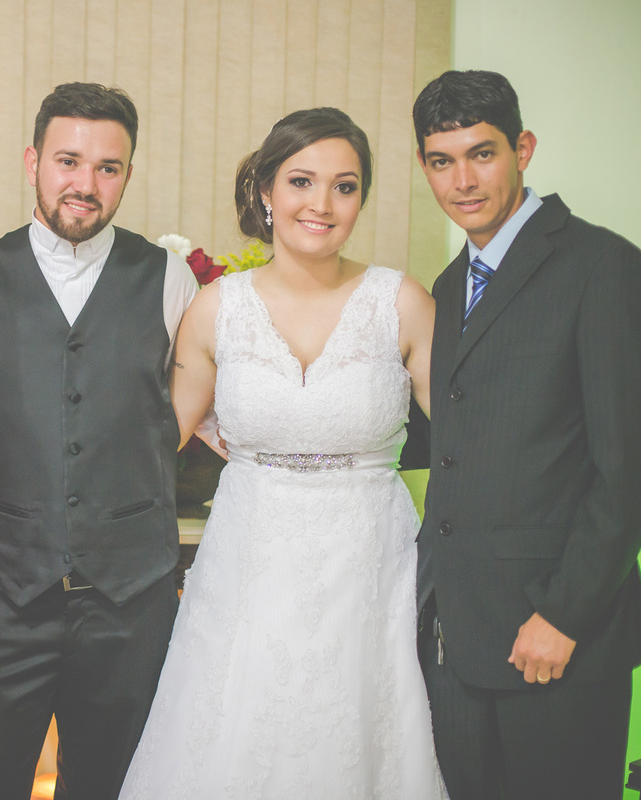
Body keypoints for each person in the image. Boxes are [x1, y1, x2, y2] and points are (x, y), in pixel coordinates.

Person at [116, 108, 444, 799]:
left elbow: (469, 442)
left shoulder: (403, 303)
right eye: (301, 181)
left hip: (368, 564)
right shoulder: (217, 307)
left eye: (344, 186)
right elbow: (157, 438)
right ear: (266, 189)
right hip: (248, 558)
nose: (321, 203)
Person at [0, 82, 197, 800]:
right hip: (6, 596)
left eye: (108, 167)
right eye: (68, 161)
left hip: (132, 602)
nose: (86, 184)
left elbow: (213, 413)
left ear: (128, 175)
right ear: (33, 163)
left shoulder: (170, 278)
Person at [412, 69, 641, 800]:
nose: (463, 180)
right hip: (455, 641)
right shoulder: (446, 287)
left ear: (522, 149)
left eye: (482, 153)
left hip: (555, 637)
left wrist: (562, 614)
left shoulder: (602, 266)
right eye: (441, 161)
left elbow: (633, 466)